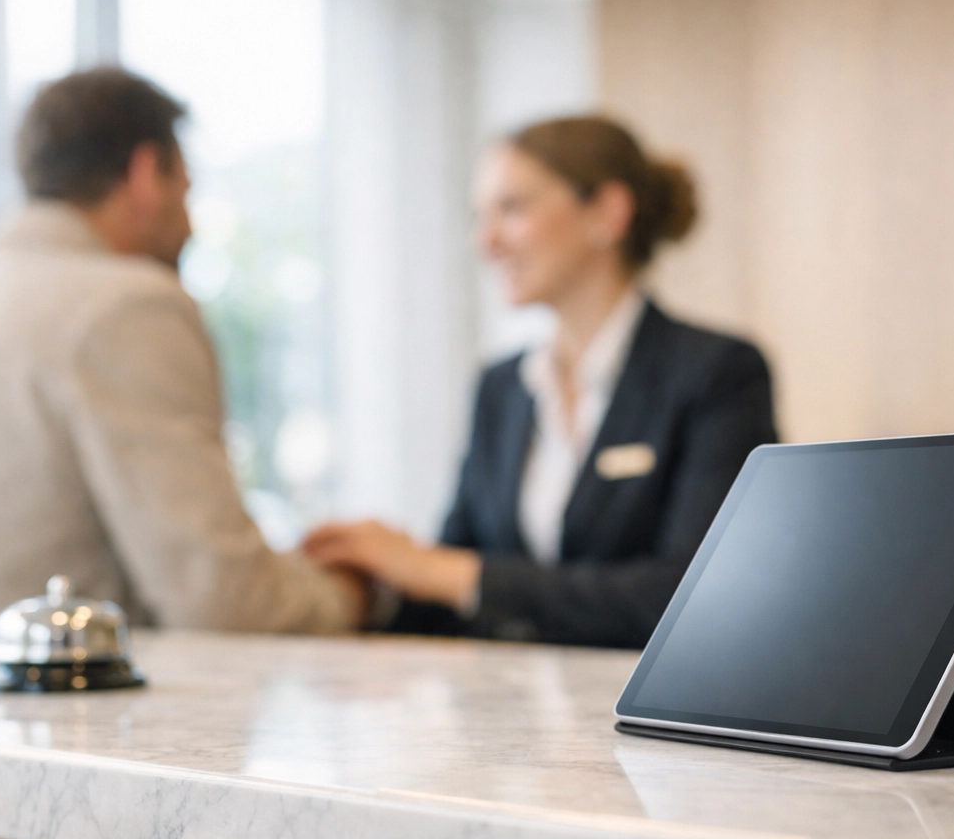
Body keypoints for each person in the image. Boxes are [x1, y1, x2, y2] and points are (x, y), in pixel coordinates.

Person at [0, 67, 363, 632]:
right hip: (48, 715)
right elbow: (227, 603)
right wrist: (357, 591)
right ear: (146, 173)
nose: (190, 223)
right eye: (186, 191)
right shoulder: (127, 308)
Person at [306, 116, 777, 648]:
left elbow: (694, 596)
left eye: (511, 209)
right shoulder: (501, 388)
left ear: (606, 213)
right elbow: (452, 595)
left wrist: (451, 573)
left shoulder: (717, 373)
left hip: (648, 722)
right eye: (480, 216)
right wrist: (369, 583)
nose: (485, 242)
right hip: (507, 722)